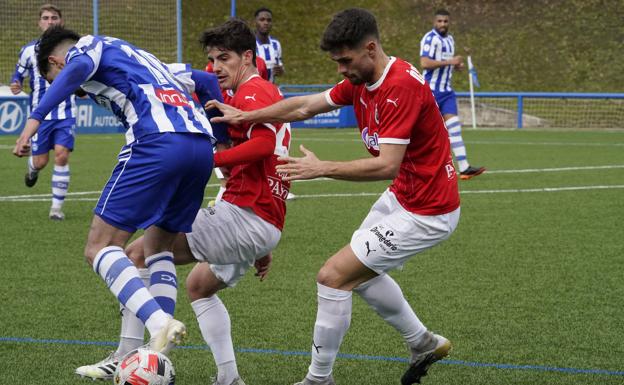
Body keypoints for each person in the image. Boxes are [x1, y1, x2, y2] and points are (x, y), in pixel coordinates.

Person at [207, 8, 460, 385]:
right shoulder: (361, 79)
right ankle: (422, 342)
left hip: (428, 209)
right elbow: (306, 105)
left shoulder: (400, 86)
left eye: (345, 60)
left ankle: (318, 379)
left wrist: (321, 167)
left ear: (370, 49)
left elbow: (385, 165)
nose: (341, 69)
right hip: (403, 197)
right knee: (361, 276)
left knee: (332, 277)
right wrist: (247, 116)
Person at [76, 19, 292, 385]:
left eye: (224, 59)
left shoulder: (253, 92)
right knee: (199, 286)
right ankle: (228, 378)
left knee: (136, 254)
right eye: (212, 60)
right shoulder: (259, 94)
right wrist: (259, 236)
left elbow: (264, 147)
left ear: (248, 57)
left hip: (246, 215)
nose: (216, 68)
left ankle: (128, 356)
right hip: (257, 217)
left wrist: (211, 160)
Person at [13, 26, 221, 362]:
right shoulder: (143, 58)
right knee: (158, 246)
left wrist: (33, 122)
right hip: (200, 149)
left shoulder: (86, 48)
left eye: (55, 78)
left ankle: (159, 324)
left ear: (56, 61)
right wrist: (222, 138)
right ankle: (153, 358)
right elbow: (208, 82)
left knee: (100, 247)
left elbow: (77, 70)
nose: (65, 88)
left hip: (157, 143)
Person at [10, 4, 77, 220]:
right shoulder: (29, 50)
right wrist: (15, 84)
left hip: (67, 113)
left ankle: (56, 209)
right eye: (46, 18)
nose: (50, 21)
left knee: (62, 154)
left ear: (61, 21)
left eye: (54, 17)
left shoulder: (72, 50)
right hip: (41, 116)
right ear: (39, 22)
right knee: (40, 161)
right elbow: (18, 74)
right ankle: (32, 168)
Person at [420, 9, 485, 180]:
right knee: (426, 132)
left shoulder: (450, 40)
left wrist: (455, 66)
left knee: (454, 128)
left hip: (447, 91)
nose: (442, 24)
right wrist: (450, 61)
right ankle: (419, 166)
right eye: (439, 21)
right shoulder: (429, 38)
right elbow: (424, 63)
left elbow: (444, 63)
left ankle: (464, 167)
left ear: (449, 23)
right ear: (434, 22)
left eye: (445, 21)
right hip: (430, 91)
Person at [254, 7, 284, 83]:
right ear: (255, 22)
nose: (266, 23)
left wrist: (281, 70)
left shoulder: (276, 44)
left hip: (270, 89)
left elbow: (279, 66)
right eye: (262, 19)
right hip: (253, 89)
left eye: (269, 20)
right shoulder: (248, 43)